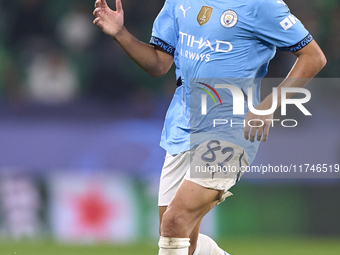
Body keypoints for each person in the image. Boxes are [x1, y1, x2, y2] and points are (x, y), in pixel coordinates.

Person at [93, 0, 326, 254]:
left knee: (174, 223)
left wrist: (269, 105)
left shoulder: (261, 5)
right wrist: (120, 34)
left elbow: (314, 56)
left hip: (229, 128)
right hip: (182, 127)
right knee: (181, 240)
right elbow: (159, 64)